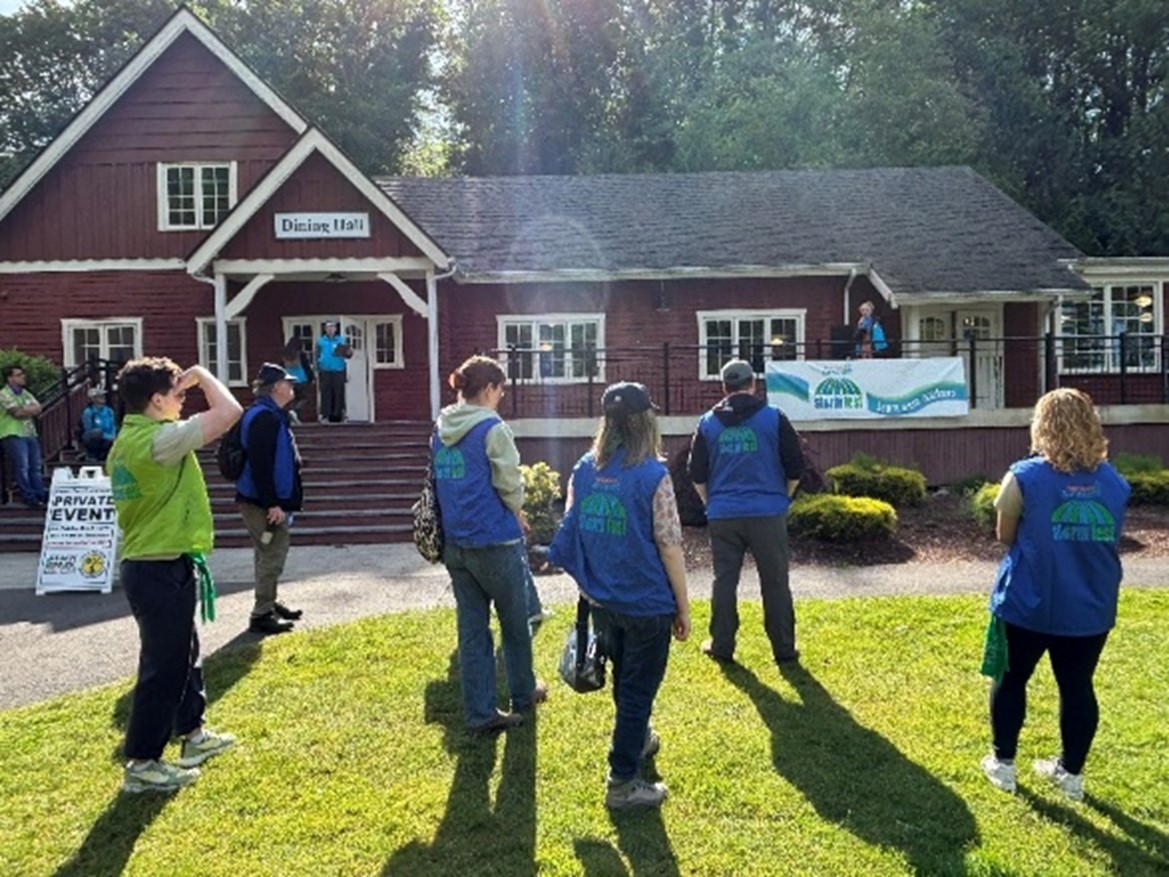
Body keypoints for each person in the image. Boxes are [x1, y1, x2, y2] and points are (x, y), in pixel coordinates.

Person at [979, 388, 1130, 801]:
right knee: (1078, 685)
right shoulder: (1114, 483)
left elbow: (1004, 534)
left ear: (1041, 426)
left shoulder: (1023, 477)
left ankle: (1003, 764)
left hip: (1029, 601)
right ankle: (1071, 775)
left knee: (1010, 680)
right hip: (1090, 605)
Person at [549, 381, 690, 809]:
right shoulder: (653, 475)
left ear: (606, 423)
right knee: (636, 690)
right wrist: (682, 607)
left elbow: (575, 530)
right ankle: (622, 783)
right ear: (648, 421)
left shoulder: (583, 471)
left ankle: (640, 737)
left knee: (628, 682)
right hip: (646, 603)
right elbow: (670, 545)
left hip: (603, 602)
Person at [105, 357, 242, 793]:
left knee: (184, 653)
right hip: (157, 566)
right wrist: (201, 375)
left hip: (157, 563)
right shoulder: (159, 440)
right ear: (156, 400)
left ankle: (193, 735)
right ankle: (142, 762)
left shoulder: (127, 440)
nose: (183, 400)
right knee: (163, 667)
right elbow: (229, 413)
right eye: (178, 393)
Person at [432, 354, 545, 734]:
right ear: (488, 389)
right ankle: (523, 692)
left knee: (472, 628)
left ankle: (480, 712)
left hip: (456, 541)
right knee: (515, 623)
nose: (501, 397)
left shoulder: (440, 428)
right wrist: (518, 509)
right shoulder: (491, 427)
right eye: (500, 390)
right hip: (495, 539)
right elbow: (509, 480)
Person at [688, 359, 806, 667]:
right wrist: (783, 497)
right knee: (776, 581)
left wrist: (710, 503)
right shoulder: (774, 418)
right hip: (768, 512)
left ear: (724, 387)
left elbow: (696, 473)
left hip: (724, 513)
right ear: (753, 385)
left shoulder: (707, 423)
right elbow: (796, 465)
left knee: (724, 580)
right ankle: (784, 649)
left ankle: (721, 645)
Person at [236, 363, 305, 635]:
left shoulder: (271, 413)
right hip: (261, 502)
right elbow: (260, 464)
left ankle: (270, 601)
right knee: (273, 551)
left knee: (265, 552)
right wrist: (271, 503)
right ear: (276, 387)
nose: (292, 387)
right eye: (288, 383)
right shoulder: (264, 417)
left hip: (263, 499)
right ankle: (261, 613)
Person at [0, 364, 47, 507]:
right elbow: (17, 413)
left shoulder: (25, 393)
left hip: (29, 432)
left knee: (36, 466)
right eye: (19, 375)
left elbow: (39, 407)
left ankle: (40, 493)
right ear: (10, 378)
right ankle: (28, 495)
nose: (23, 377)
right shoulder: (4, 394)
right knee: (22, 466)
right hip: (12, 432)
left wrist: (25, 410)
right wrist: (28, 410)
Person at [316, 321, 348, 423]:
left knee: (338, 392)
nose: (330, 329)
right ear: (325, 329)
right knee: (325, 392)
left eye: (332, 327)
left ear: (335, 329)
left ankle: (338, 415)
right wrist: (317, 367)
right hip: (325, 370)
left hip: (338, 369)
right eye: (328, 327)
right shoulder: (320, 341)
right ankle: (325, 415)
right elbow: (316, 354)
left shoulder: (341, 340)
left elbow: (347, 354)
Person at [79, 387, 117, 462]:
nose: (103, 397)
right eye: (100, 396)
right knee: (96, 433)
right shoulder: (88, 412)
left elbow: (113, 426)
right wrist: (107, 437)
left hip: (108, 438)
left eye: (103, 395)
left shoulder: (109, 411)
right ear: (93, 399)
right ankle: (92, 455)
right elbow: (88, 430)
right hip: (95, 439)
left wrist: (113, 436)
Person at [282, 338, 315, 425]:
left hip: (289, 380)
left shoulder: (285, 354)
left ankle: (292, 416)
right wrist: (311, 377)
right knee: (304, 398)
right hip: (301, 379)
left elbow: (282, 367)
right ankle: (294, 411)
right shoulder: (300, 354)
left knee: (292, 399)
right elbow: (306, 366)